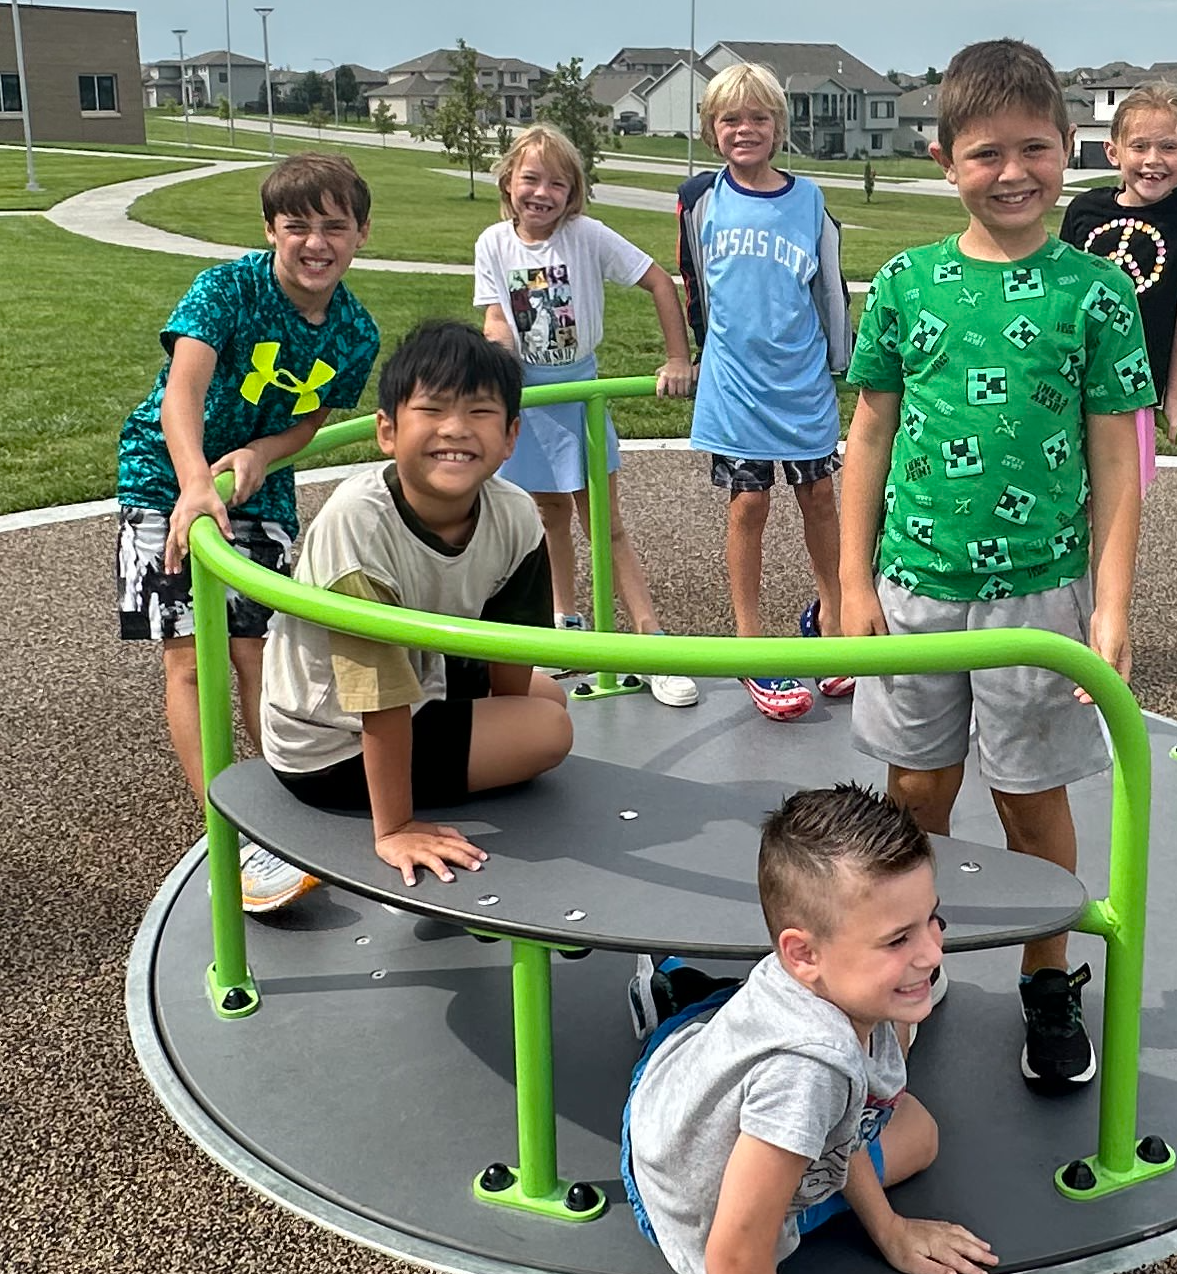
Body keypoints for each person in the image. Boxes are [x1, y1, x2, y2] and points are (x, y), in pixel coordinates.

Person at [832, 39, 1153, 1091]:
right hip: (917, 581)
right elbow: (870, 432)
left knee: (1029, 796)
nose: (1012, 172)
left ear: (1072, 149)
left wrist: (1109, 609)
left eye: (1034, 148)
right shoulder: (910, 285)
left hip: (1041, 588)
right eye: (985, 153)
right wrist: (848, 585)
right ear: (943, 159)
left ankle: (1047, 973)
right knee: (917, 791)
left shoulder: (1096, 294)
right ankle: (902, 970)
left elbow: (1116, 457)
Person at [621, 785, 995, 1274]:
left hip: (734, 1069)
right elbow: (735, 1256)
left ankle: (701, 1000)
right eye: (898, 939)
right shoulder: (807, 1075)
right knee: (886, 1086)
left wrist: (889, 1230)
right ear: (802, 956)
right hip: (668, 1153)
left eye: (932, 921)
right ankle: (672, 993)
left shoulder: (823, 1012)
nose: (931, 953)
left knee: (915, 1127)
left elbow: (841, 1129)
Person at [118, 151, 381, 915]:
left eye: (334, 226)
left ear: (361, 234)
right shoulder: (227, 290)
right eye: (297, 225)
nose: (315, 242)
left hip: (255, 486)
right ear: (271, 229)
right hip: (162, 476)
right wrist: (195, 483)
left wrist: (260, 455)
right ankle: (225, 832)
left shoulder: (355, 331)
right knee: (191, 656)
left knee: (259, 647)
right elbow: (184, 391)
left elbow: (308, 420)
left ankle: (280, 800)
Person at [259, 323, 577, 888]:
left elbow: (511, 652)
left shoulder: (515, 514)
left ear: (510, 436)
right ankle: (396, 805)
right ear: (387, 430)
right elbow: (375, 697)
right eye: (431, 409)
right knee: (549, 731)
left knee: (543, 699)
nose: (455, 429)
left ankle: (492, 744)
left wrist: (501, 725)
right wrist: (396, 827)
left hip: (419, 683)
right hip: (330, 739)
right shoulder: (359, 524)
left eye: (480, 412)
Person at [471, 123, 703, 709]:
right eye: (531, 179)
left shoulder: (586, 236)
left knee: (605, 521)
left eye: (557, 183)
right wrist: (497, 358)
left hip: (579, 392)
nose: (542, 193)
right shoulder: (494, 244)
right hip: (529, 399)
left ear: (573, 192)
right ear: (509, 181)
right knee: (547, 515)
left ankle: (650, 641)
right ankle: (565, 623)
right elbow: (496, 318)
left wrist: (677, 357)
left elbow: (656, 279)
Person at [673, 61, 855, 723]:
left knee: (821, 499)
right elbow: (696, 286)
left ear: (778, 125)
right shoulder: (702, 202)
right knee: (748, 503)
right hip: (734, 385)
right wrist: (687, 356)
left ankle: (833, 620)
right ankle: (750, 641)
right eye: (730, 119)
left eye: (757, 117)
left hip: (801, 382)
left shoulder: (808, 201)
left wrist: (842, 361)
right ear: (712, 129)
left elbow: (830, 289)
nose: (744, 129)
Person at [1056, 81, 1177, 495]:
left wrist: (1175, 397)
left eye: (1168, 147)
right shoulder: (1084, 210)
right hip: (1070, 379)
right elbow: (1060, 299)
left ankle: (1108, 563)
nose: (1153, 160)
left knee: (1119, 494)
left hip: (1134, 389)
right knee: (1060, 489)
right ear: (1114, 152)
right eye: (1139, 146)